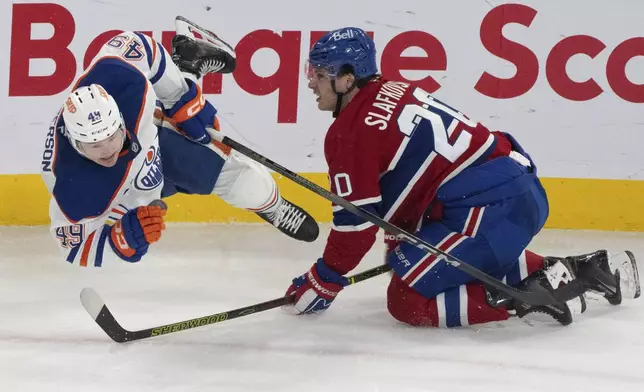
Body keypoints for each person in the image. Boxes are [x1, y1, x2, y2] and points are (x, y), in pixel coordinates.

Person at [283, 27, 640, 327]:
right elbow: (412, 179)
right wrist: (403, 246)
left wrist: (324, 280)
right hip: (513, 193)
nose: (312, 83)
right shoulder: (395, 89)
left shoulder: (350, 133)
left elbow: (357, 225)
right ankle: (575, 271)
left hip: (486, 210)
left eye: (319, 73)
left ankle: (530, 298)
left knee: (406, 300)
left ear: (346, 79)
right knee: (412, 263)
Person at [40, 17, 319, 268]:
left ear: (120, 120)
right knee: (135, 221)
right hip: (123, 193)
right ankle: (188, 58)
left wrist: (181, 99)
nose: (109, 150)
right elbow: (73, 246)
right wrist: (118, 242)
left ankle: (271, 205)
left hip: (158, 146)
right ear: (76, 144)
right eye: (95, 146)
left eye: (113, 136)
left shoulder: (121, 83)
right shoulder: (72, 184)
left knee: (246, 185)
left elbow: (137, 45)